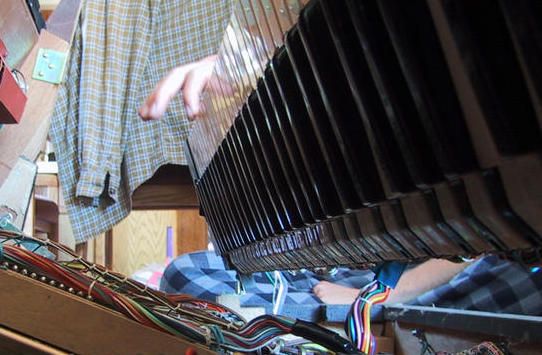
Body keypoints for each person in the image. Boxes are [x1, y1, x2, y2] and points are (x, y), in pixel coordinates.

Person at [138, 56, 542, 316]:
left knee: (206, 300)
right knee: (185, 273)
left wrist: (380, 296)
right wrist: (247, 68)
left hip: (480, 264)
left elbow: (495, 222)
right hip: (392, 258)